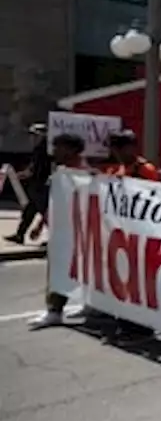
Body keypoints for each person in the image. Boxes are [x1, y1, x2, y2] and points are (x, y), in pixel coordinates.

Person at [29, 134, 89, 329]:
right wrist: (40, 223)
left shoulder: (86, 175)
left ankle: (58, 310)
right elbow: (54, 203)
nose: (54, 152)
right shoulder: (60, 173)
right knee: (58, 270)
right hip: (60, 232)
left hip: (79, 234)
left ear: (72, 150)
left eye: (59, 147)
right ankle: (54, 309)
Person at [5, 124, 52, 246]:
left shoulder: (45, 150)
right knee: (29, 212)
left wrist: (27, 174)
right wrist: (22, 174)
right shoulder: (39, 149)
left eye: (34, 135)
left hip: (41, 186)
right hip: (36, 186)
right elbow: (33, 168)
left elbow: (39, 169)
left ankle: (54, 238)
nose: (32, 138)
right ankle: (20, 235)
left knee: (47, 215)